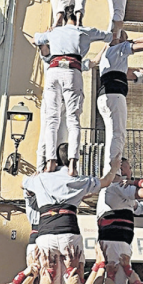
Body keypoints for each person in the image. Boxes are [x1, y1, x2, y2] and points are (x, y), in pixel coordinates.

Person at [22, 144, 119, 284]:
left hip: (46, 234)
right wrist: (114, 167)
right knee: (74, 278)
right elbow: (106, 181)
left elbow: (24, 183)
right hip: (69, 232)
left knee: (49, 283)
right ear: (74, 160)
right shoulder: (77, 180)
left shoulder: (41, 179)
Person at [33, 14, 114, 174]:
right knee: (73, 120)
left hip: (54, 71)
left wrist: (51, 30)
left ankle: (50, 162)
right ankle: (72, 165)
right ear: (79, 19)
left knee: (51, 121)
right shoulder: (83, 31)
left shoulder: (54, 33)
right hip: (72, 69)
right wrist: (108, 42)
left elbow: (36, 39)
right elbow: (109, 36)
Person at [95, 31, 143, 172]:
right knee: (118, 134)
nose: (127, 41)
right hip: (115, 95)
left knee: (111, 134)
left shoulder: (107, 55)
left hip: (105, 96)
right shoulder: (118, 48)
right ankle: (114, 172)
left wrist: (137, 71)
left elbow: (125, 72)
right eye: (125, 38)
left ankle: (110, 170)